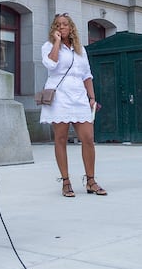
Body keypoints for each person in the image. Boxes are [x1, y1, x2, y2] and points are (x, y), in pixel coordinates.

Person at [40, 13, 106, 197]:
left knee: (88, 138)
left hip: (79, 97)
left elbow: (87, 75)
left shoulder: (80, 50)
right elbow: (51, 65)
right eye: (58, 25)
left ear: (71, 28)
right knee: (60, 139)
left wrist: (91, 97)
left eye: (65, 25)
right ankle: (66, 181)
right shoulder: (48, 46)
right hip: (59, 97)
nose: (61, 27)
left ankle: (90, 180)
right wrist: (56, 43)